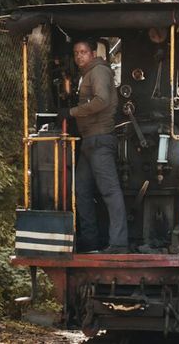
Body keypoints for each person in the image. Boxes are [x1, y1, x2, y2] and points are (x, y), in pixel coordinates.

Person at [58, 39, 128, 254]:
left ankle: (118, 243)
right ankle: (90, 240)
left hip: (100, 138)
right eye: (76, 53)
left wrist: (72, 112)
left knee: (109, 191)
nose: (79, 56)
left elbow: (102, 101)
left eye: (83, 52)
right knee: (82, 190)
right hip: (89, 140)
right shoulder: (87, 74)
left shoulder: (98, 71)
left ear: (93, 53)